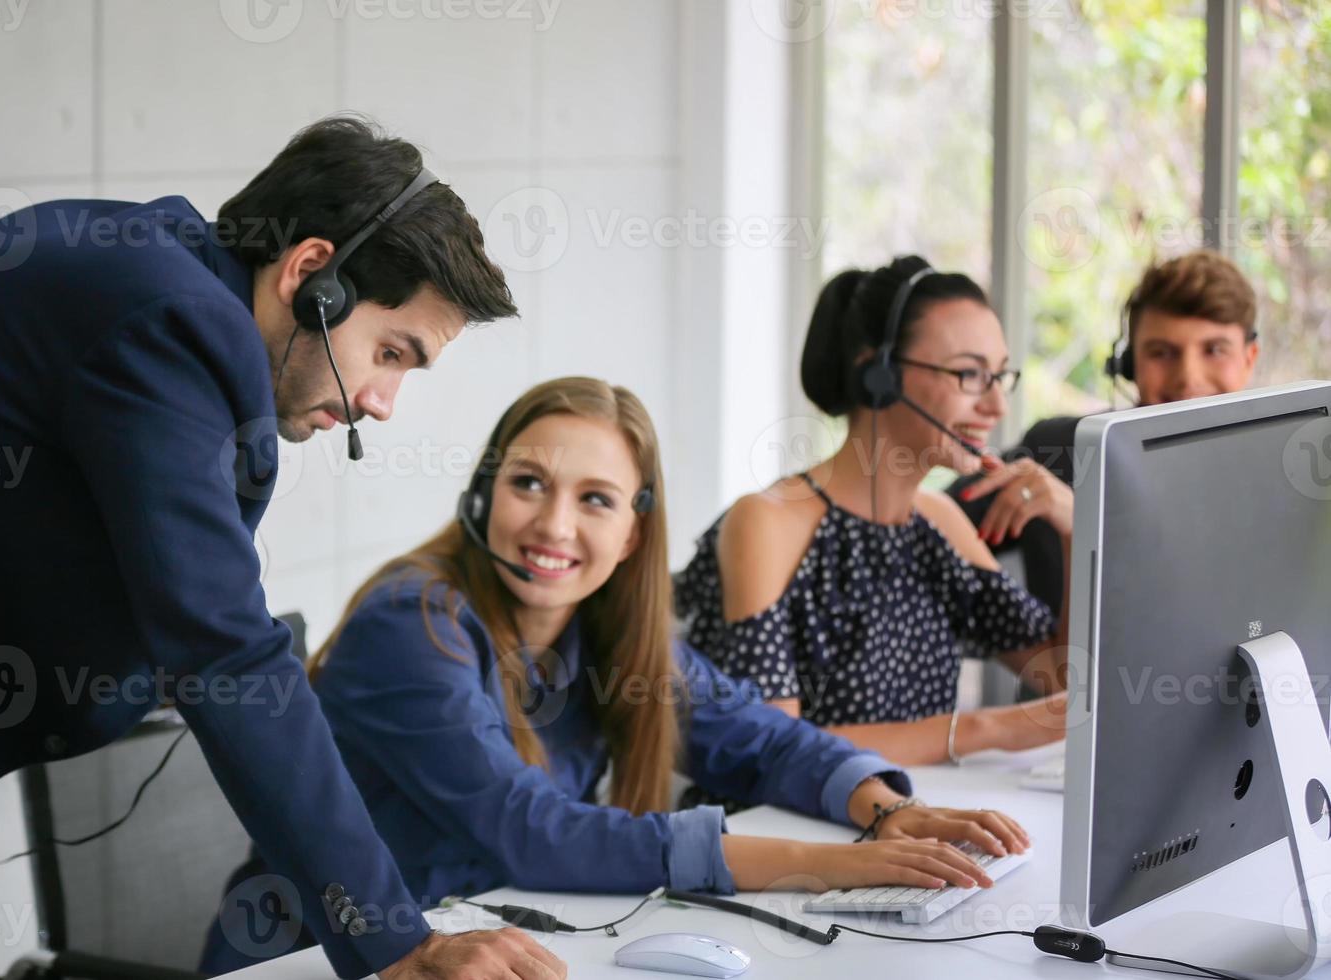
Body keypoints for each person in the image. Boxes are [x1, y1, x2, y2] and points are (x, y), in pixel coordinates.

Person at [0, 115, 565, 980]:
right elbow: (223, 646)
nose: (382, 401)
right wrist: (397, 941)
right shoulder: (170, 319)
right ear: (311, 276)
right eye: (389, 352)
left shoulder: (144, 268)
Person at [201, 376, 1035, 974]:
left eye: (596, 499)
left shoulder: (605, 634)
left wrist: (885, 811)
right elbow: (530, 829)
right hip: (324, 961)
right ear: (484, 496)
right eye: (528, 484)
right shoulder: (410, 623)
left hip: (496, 945)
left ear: (634, 536)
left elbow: (760, 739)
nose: (554, 524)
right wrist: (824, 865)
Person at [675, 256, 1072, 768]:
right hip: (792, 831)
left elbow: (1062, 681)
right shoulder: (767, 522)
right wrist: (985, 727)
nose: (997, 405)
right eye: (970, 375)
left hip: (909, 823)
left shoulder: (941, 522)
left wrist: (1076, 527)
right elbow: (777, 751)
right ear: (879, 375)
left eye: (1000, 376)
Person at [948, 249, 1261, 617]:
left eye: (1214, 350)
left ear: (1249, 359)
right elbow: (923, 534)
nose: (1188, 377)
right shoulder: (1059, 451)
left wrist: (1085, 529)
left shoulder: (1287, 473)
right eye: (1162, 352)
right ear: (1128, 366)